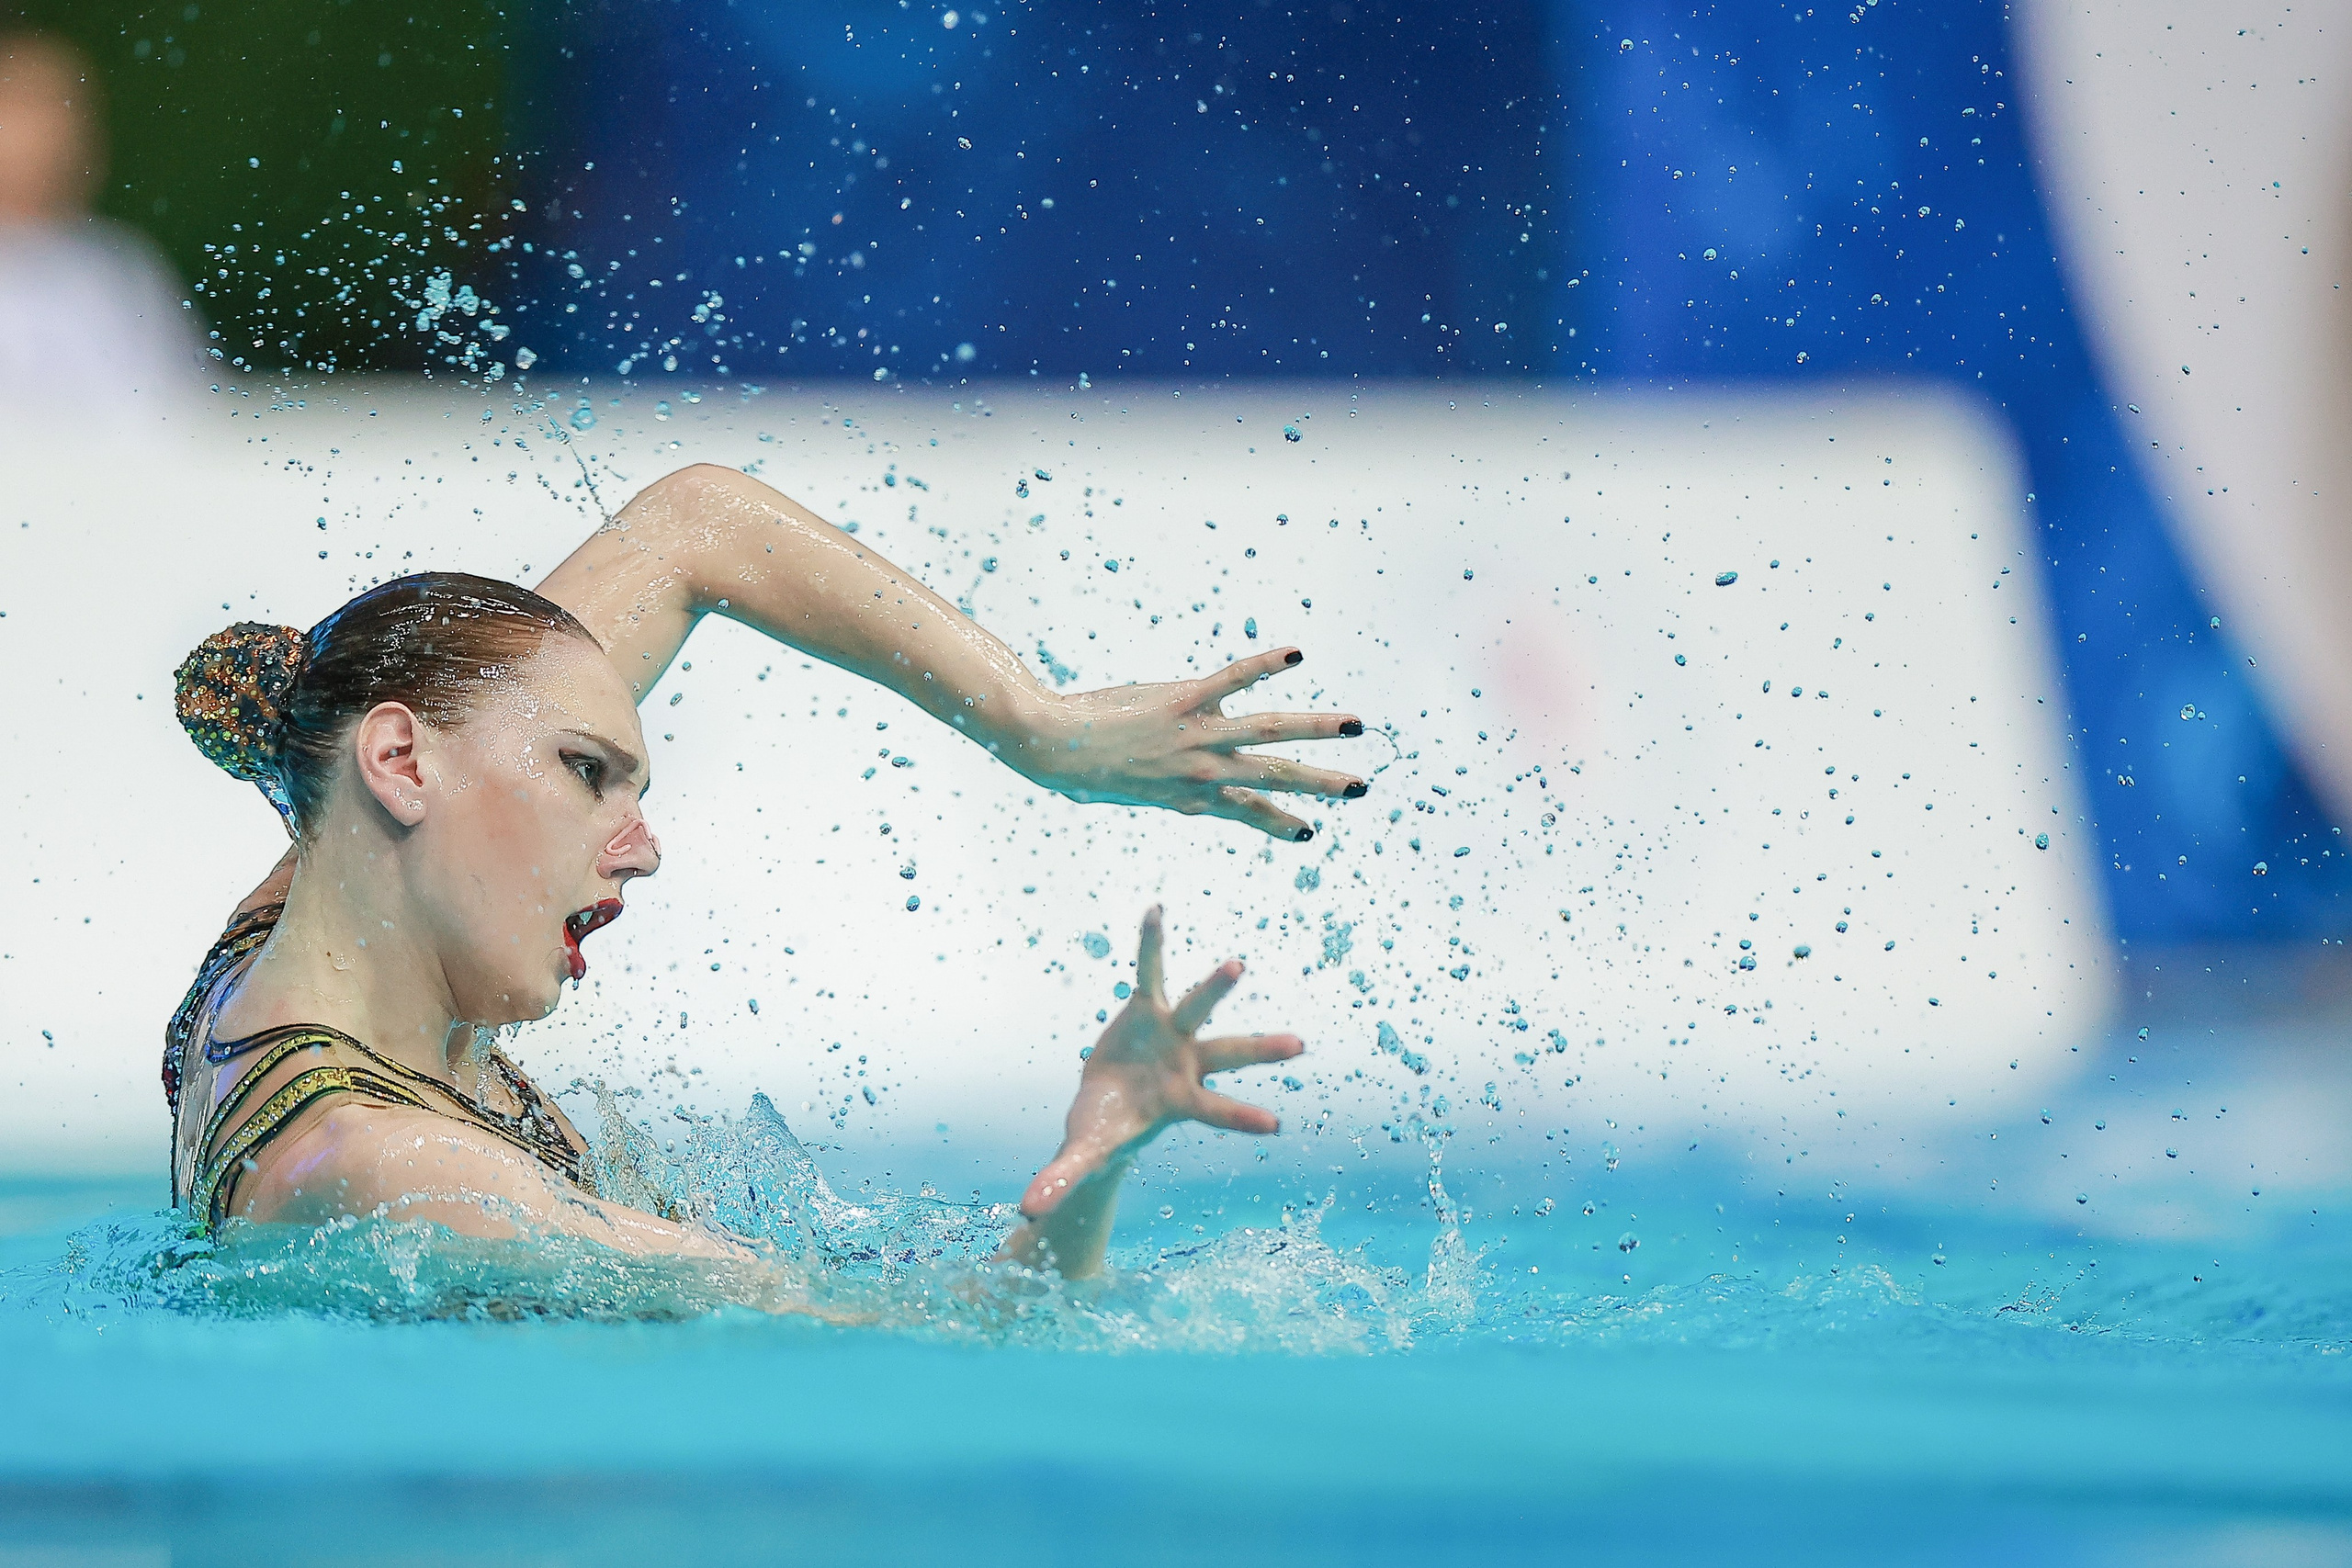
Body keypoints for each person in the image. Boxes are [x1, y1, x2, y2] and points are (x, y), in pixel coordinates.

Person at [166, 464, 1365, 1281]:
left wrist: (1040, 722)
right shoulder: (403, 1169)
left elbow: (700, 525)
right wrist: (1095, 1166)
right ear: (398, 760)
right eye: (588, 771)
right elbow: (941, 1352)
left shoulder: (264, 969)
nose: (642, 845)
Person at [0, 33, 205, 406]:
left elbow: (193, 410)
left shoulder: (122, 269)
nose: (49, 130)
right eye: (23, 106)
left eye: (65, 108)